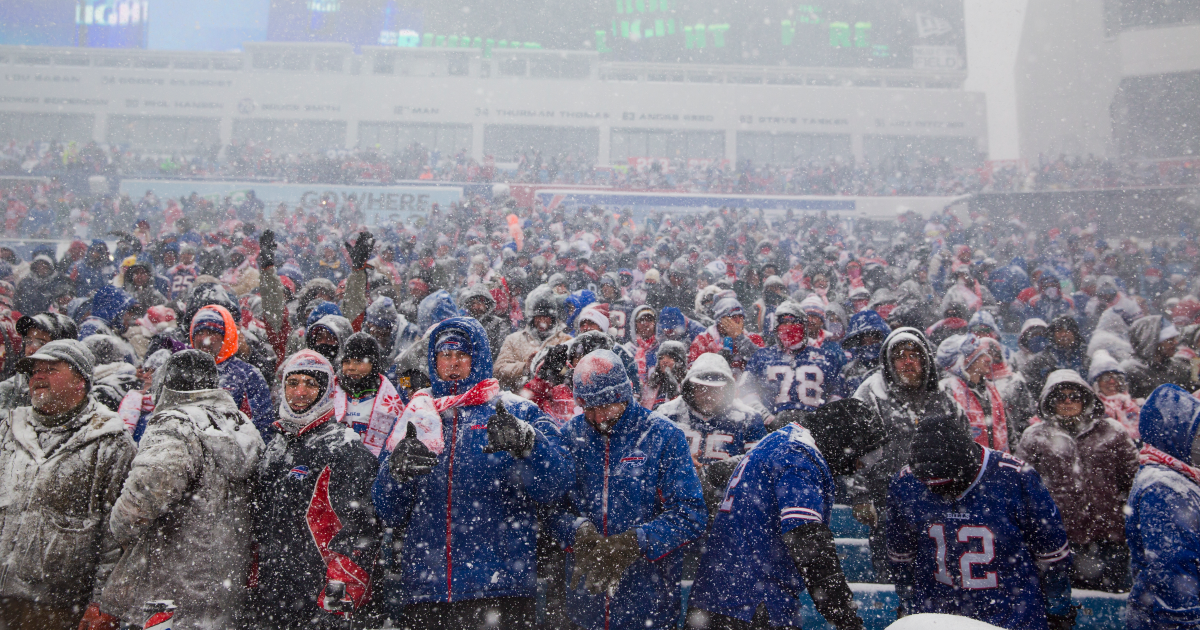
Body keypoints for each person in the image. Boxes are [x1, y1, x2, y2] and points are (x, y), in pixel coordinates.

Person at [373, 317, 572, 628]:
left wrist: (529, 444)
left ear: (478, 358)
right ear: (433, 360)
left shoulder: (519, 412)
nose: (454, 364)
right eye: (445, 355)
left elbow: (556, 485)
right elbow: (389, 511)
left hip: (501, 588)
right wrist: (393, 475)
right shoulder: (416, 417)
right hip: (429, 591)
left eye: (463, 355)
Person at [95, 350, 266, 629]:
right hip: (224, 582)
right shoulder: (241, 425)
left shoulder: (175, 424)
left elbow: (137, 505)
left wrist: (117, 530)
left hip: (169, 588)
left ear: (166, 383)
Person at [687, 399, 884, 630]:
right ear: (844, 440)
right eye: (866, 456)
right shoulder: (799, 457)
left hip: (719, 596)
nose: (862, 465)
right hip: (753, 603)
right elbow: (809, 543)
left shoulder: (782, 440)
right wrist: (846, 619)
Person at [552, 349, 707, 630]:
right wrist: (577, 531)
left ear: (624, 395)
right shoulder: (570, 436)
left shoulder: (664, 436)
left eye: (605, 406)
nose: (598, 417)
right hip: (585, 607)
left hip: (649, 604)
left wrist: (635, 542)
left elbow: (690, 514)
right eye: (588, 407)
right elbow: (552, 508)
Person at [886, 412, 1075, 630]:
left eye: (948, 484)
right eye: (932, 486)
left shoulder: (1016, 478)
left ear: (966, 463)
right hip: (938, 615)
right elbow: (902, 559)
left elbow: (1052, 555)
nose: (943, 492)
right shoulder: (906, 483)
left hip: (1011, 615)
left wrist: (1058, 610)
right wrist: (908, 606)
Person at [0, 340, 135, 629]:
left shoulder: (110, 441)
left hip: (60, 606)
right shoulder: (9, 429)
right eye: (34, 371)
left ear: (80, 382)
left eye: (50, 369)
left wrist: (103, 602)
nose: (38, 377)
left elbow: (118, 534)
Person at [252, 349, 382, 629]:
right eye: (292, 382)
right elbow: (258, 525)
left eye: (310, 384)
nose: (299, 392)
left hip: (318, 599)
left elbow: (359, 532)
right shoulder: (275, 446)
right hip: (272, 596)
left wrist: (337, 603)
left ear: (326, 390)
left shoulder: (343, 448)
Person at [849, 326, 968, 580]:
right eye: (900, 356)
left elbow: (965, 448)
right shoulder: (871, 392)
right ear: (889, 362)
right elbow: (852, 447)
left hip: (938, 498)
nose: (908, 361)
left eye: (914, 355)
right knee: (893, 573)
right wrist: (860, 495)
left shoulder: (943, 398)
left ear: (925, 360)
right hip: (888, 498)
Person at [1015, 369, 1138, 592]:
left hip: (1110, 535)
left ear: (1087, 398)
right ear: (1049, 401)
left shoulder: (1113, 432)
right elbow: (1020, 488)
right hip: (1059, 538)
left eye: (1075, 396)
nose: (1068, 401)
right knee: (1066, 608)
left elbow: (1133, 481)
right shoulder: (1034, 437)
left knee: (1115, 607)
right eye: (1060, 396)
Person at [1125, 384, 1200, 630]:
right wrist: (1188, 621)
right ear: (1173, 434)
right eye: (1197, 435)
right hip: (1169, 620)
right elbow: (1173, 569)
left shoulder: (1178, 476)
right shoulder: (1164, 488)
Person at [656, 352, 766, 507]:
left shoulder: (748, 418)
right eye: (701, 388)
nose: (708, 395)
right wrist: (676, 465)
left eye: (715, 389)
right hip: (675, 503)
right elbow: (646, 460)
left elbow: (761, 466)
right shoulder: (666, 415)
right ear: (690, 387)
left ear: (727, 389)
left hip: (730, 505)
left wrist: (723, 470)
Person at [747, 301, 845, 418]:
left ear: (804, 326)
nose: (789, 327)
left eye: (794, 322)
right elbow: (746, 392)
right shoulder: (761, 356)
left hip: (814, 429)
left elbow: (837, 395)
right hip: (771, 429)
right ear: (776, 327)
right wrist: (766, 418)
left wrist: (822, 421)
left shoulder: (826, 358)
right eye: (784, 322)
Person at [188, 304, 275, 436]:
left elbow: (262, 426)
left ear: (225, 336)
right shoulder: (184, 371)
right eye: (199, 333)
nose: (204, 339)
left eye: (211, 333)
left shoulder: (247, 374)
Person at [937, 334, 1010, 452]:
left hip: (996, 465)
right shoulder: (947, 390)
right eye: (980, 355)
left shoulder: (990, 390)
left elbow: (1008, 431)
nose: (989, 359)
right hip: (967, 467)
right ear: (963, 361)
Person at [333, 332, 403, 457]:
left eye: (359, 361)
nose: (351, 367)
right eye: (346, 361)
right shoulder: (331, 392)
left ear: (373, 364)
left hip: (371, 467)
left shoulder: (388, 398)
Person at [494, 289, 572, 391]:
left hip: (554, 402)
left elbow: (573, 373)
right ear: (532, 318)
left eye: (546, 317)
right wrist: (525, 368)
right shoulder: (513, 340)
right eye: (538, 317)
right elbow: (498, 371)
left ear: (553, 318)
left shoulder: (566, 340)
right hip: (521, 401)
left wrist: (556, 369)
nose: (542, 321)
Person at [0, 312, 77, 409]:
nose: (30, 350)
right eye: (28, 342)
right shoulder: (7, 392)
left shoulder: (82, 392)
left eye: (41, 343)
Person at [687, 298, 765, 376]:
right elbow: (692, 372)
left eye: (741, 316)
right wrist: (717, 361)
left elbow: (764, 364)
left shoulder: (753, 338)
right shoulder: (703, 340)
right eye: (733, 316)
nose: (738, 321)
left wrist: (740, 339)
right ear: (720, 320)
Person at [1123, 314, 1186, 398]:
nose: (1175, 342)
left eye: (1175, 338)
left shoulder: (1176, 366)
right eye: (1169, 340)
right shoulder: (1131, 370)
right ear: (1152, 342)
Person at [1088, 349, 1141, 438]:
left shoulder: (1135, 405)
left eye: (1116, 377)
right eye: (1105, 378)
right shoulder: (1093, 409)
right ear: (1096, 384)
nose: (1112, 381)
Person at [840, 309, 892, 394]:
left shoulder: (891, 367)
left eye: (874, 336)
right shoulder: (850, 371)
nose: (869, 342)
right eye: (864, 338)